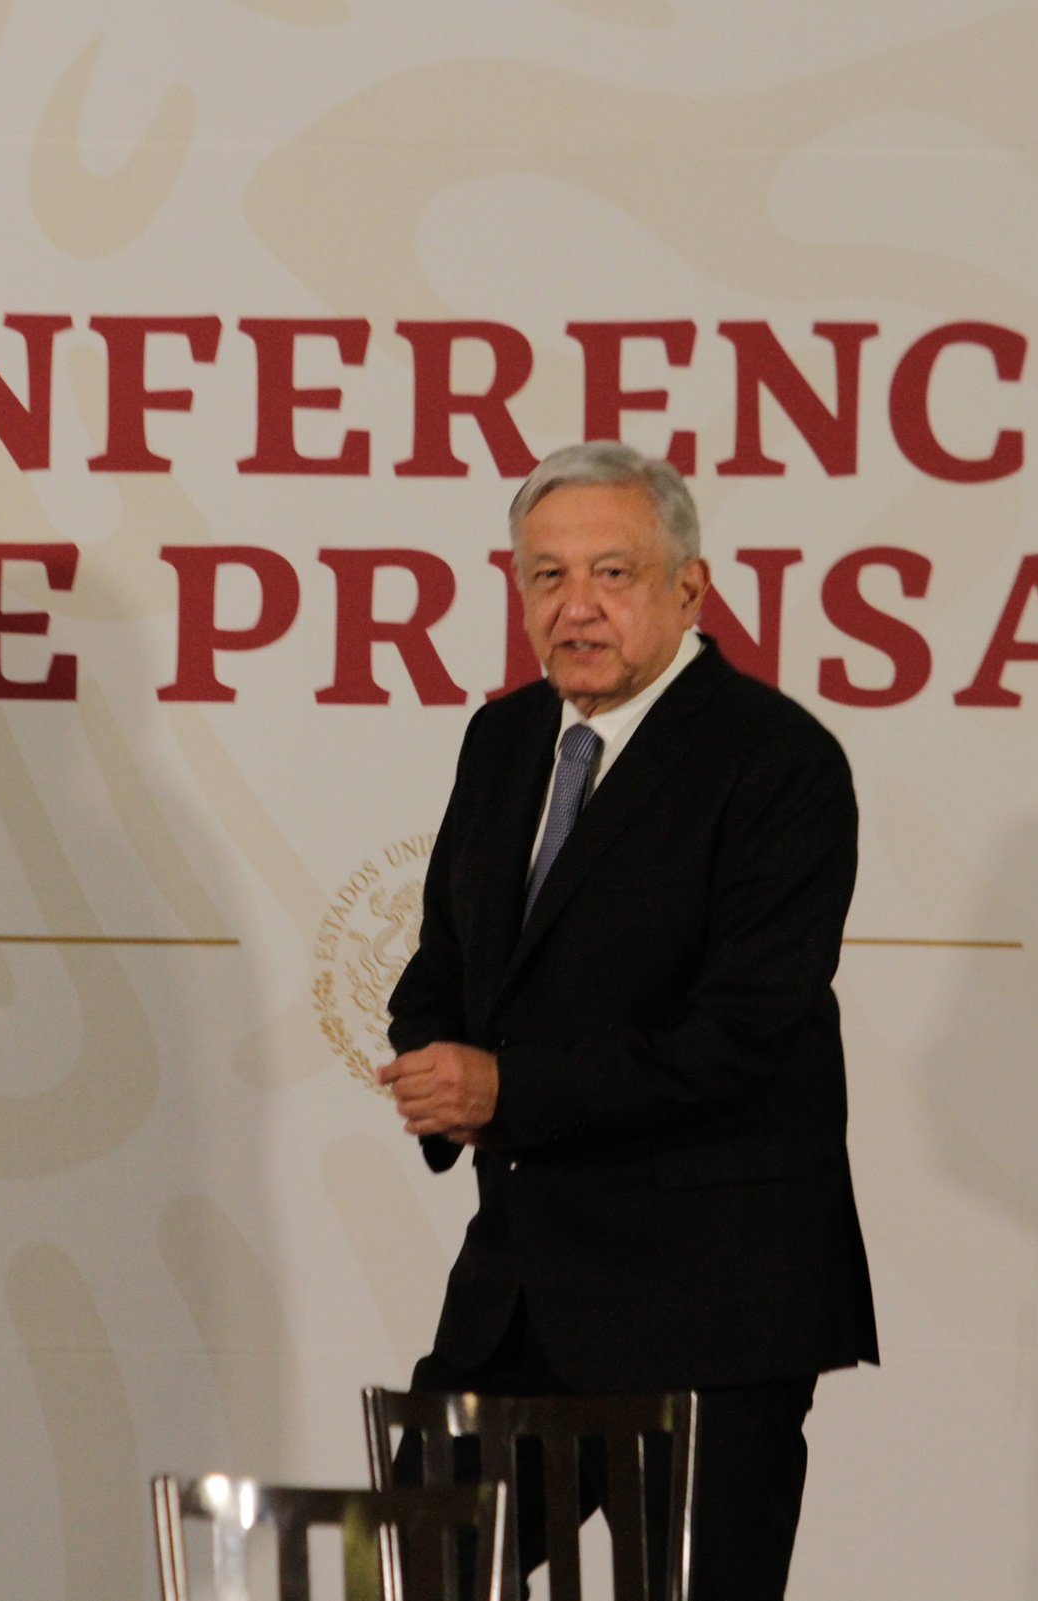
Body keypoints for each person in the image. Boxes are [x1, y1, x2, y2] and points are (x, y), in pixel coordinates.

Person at [377, 441, 879, 1600]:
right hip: (521, 1291)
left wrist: (509, 1087)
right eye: (546, 576)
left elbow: (741, 1030)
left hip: (710, 1300)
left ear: (689, 587)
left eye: (612, 572)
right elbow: (446, 960)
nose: (577, 606)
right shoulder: (504, 738)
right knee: (397, 1572)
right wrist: (433, 1060)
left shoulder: (778, 760)